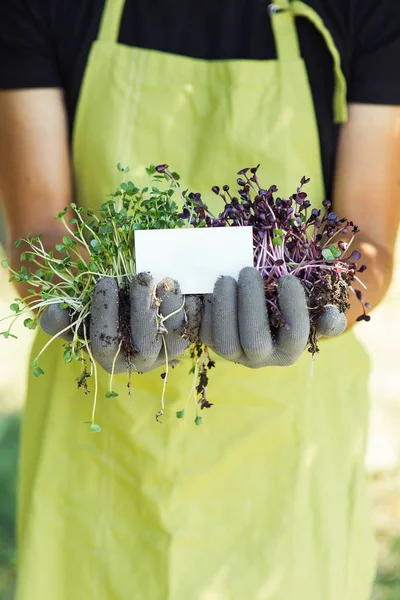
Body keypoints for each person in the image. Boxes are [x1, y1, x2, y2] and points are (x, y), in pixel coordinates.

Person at [0, 1, 400, 598]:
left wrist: (320, 301)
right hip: (100, 463)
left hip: (289, 458)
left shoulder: (365, 10)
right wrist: (87, 303)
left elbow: (366, 241)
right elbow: (40, 232)